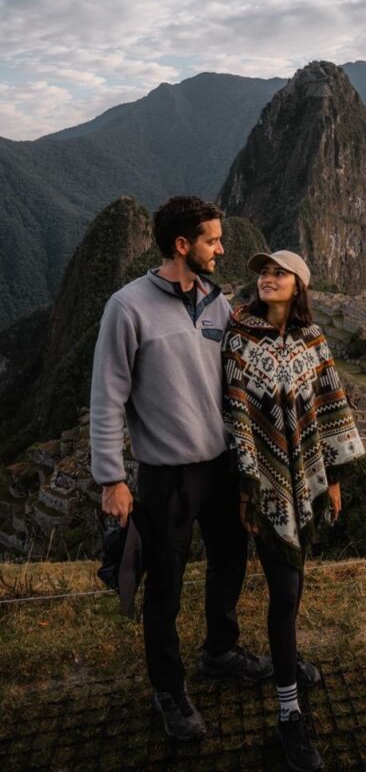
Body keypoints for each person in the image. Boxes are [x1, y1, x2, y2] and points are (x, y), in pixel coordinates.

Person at [90, 196, 272, 742]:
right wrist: (111, 479)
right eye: (213, 240)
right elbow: (107, 397)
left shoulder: (218, 305)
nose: (222, 248)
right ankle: (169, 688)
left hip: (218, 464)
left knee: (230, 558)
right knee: (165, 582)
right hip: (166, 474)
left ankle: (220, 649)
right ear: (182, 245)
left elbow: (238, 380)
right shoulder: (128, 308)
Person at [223, 249, 366, 772]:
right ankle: (288, 714)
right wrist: (247, 488)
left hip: (304, 476)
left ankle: (288, 663)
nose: (268, 278)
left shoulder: (312, 342)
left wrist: (332, 479)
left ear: (298, 286)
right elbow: (237, 413)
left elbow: (330, 405)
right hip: (262, 483)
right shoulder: (240, 337)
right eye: (264, 271)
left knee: (294, 586)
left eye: (279, 273)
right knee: (284, 591)